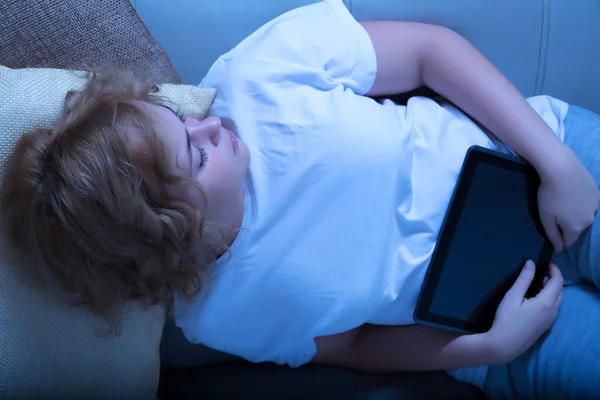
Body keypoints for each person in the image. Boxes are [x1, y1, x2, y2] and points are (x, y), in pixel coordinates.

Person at [1, 0, 599, 398]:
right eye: (196, 155)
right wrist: (492, 346)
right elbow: (360, 348)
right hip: (496, 321)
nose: (208, 123)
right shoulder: (219, 316)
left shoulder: (262, 73)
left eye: (177, 119)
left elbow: (430, 51)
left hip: (541, 166)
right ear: (174, 230)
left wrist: (557, 163)